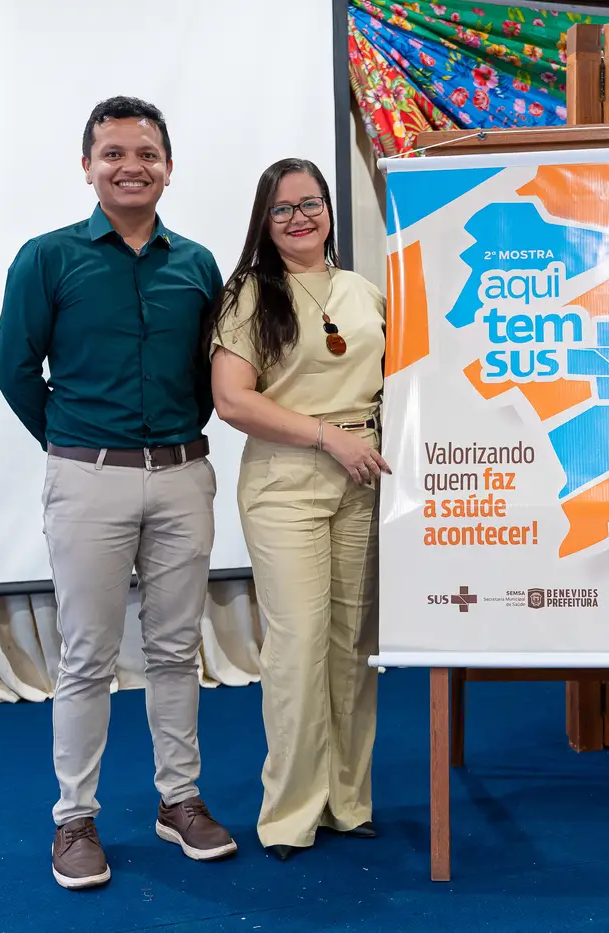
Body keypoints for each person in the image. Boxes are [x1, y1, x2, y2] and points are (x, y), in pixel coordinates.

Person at [0, 96, 237, 891]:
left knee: (176, 648)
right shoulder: (47, 258)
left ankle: (180, 800)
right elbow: (14, 370)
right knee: (87, 654)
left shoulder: (196, 264)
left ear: (168, 166)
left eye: (146, 154)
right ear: (88, 166)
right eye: (114, 154)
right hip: (86, 477)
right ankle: (74, 816)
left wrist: (168, 444)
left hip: (182, 476)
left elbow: (206, 377)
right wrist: (74, 444)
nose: (131, 166)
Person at [209, 158, 387, 861]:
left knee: (352, 646)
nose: (299, 218)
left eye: (310, 203)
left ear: (329, 210)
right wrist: (326, 436)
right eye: (281, 209)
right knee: (299, 645)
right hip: (288, 479)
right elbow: (232, 400)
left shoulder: (363, 290)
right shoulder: (250, 294)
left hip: (363, 476)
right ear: (265, 221)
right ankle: (289, 813)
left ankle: (347, 801)